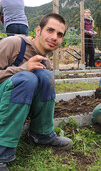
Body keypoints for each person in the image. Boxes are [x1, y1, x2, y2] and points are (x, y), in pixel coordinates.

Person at [0, 13, 73, 171]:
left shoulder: (45, 62)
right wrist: (22, 69)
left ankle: (41, 134)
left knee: (46, 76)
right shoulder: (14, 44)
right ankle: (2, 150)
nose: (54, 37)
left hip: (13, 104)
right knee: (27, 78)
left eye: (60, 34)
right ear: (38, 30)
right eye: (50, 30)